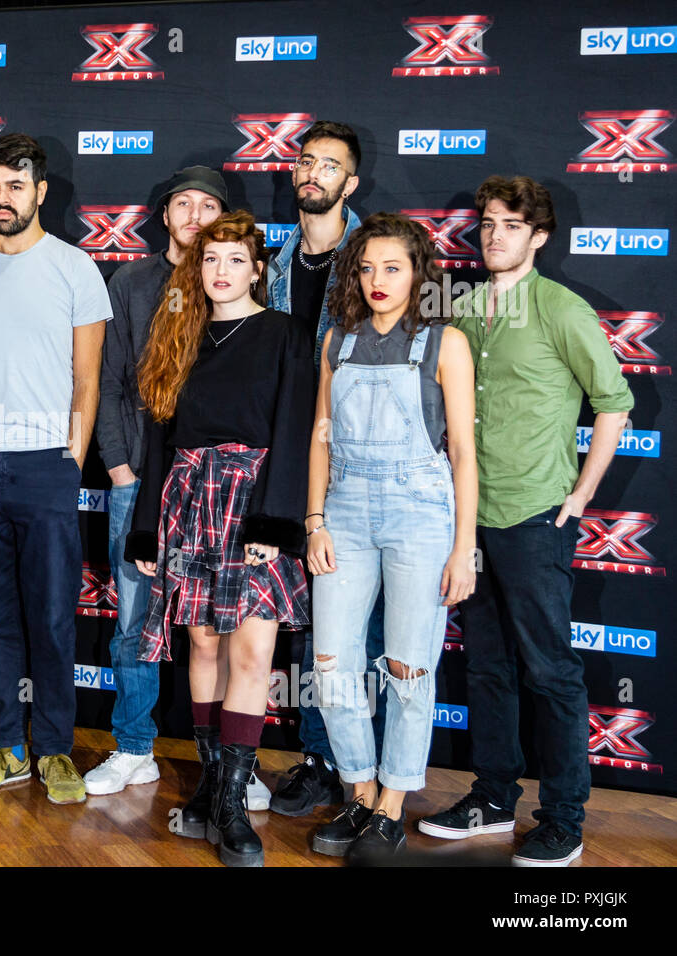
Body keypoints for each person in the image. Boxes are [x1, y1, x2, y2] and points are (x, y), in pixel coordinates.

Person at [417, 176, 633, 866]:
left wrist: (579, 496)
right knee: (486, 667)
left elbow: (614, 403)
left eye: (511, 225)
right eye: (487, 223)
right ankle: (492, 796)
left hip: (536, 514)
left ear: (540, 235)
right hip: (468, 518)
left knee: (550, 671)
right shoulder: (466, 308)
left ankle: (564, 816)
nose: (494, 235)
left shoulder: (563, 309)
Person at [128, 210, 314, 867]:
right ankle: (210, 788)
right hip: (187, 499)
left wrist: (274, 520)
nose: (220, 272)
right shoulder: (177, 333)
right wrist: (146, 528)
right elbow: (156, 440)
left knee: (252, 652)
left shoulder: (285, 333)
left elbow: (295, 426)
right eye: (210, 261)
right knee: (202, 644)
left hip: (254, 499)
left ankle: (234, 801)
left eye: (235, 260)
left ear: (258, 268)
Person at [91, 165, 275, 807]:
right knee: (139, 622)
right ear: (164, 215)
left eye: (209, 206)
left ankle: (232, 768)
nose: (194, 216)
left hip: (225, 496)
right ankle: (135, 747)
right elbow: (111, 383)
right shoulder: (135, 283)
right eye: (183, 204)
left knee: (227, 633)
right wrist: (121, 469)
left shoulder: (241, 310)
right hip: (144, 485)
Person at [305, 213, 477, 864]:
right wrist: (315, 521)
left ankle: (392, 810)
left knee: (407, 668)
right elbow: (320, 434)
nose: (378, 280)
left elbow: (462, 450)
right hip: (344, 508)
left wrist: (464, 548)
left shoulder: (444, 344)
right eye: (367, 268)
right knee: (330, 666)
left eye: (393, 267)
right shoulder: (336, 343)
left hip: (420, 512)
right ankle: (361, 790)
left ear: (419, 273)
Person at [0, 133, 110, 805]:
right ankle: (8, 746)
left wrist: (69, 463)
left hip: (46, 466)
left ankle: (56, 749)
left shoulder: (75, 269)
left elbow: (88, 382)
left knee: (49, 616)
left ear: (41, 192)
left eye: (15, 187)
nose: (2, 199)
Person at [266, 119, 386, 817]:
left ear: (352, 182)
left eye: (329, 165)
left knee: (356, 631)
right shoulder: (273, 261)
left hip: (360, 464)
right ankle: (317, 759)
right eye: (306, 161)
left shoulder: (376, 259)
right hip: (289, 458)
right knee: (313, 624)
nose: (313, 173)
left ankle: (360, 773)